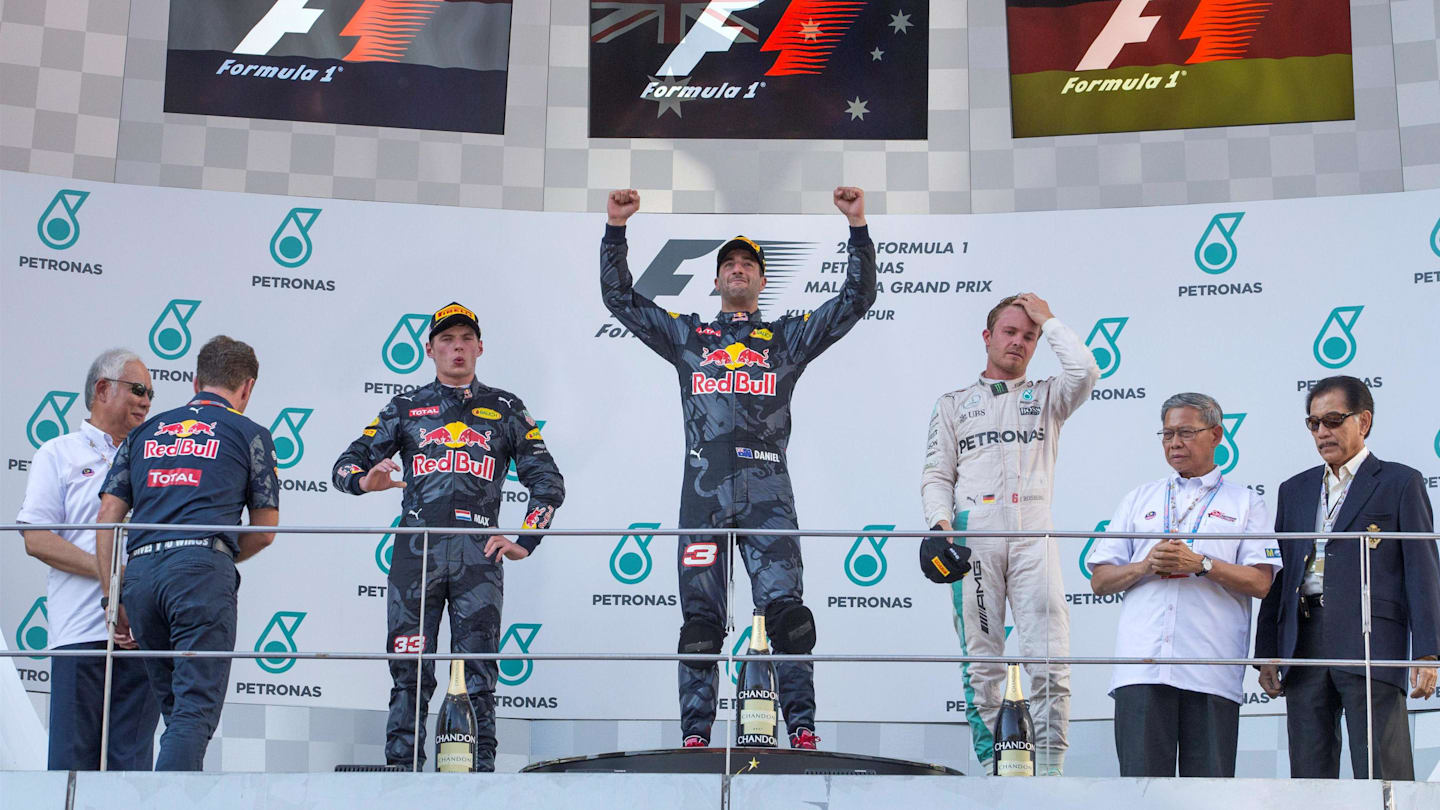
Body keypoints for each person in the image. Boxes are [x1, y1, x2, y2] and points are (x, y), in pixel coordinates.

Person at [602, 187, 876, 749]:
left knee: (789, 620)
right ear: (717, 280)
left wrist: (857, 228)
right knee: (701, 627)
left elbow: (856, 299)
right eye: (728, 264)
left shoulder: (785, 338)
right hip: (702, 495)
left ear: (760, 281)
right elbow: (621, 300)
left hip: (768, 494)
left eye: (748, 264)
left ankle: (801, 730)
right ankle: (696, 737)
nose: (738, 270)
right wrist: (615, 229)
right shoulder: (689, 338)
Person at [333, 302, 564, 772]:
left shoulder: (505, 407)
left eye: (464, 340)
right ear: (430, 350)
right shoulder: (405, 407)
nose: (456, 348)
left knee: (478, 673)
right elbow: (344, 466)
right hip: (416, 553)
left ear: (479, 347)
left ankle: (481, 778)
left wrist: (527, 538)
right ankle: (400, 775)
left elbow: (549, 483)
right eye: (446, 340)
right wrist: (365, 481)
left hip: (478, 555)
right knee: (409, 672)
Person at [920, 292, 1099, 775]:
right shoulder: (954, 403)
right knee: (982, 658)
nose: (1019, 342)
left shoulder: (1048, 396)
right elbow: (937, 475)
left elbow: (1086, 371)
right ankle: (994, 766)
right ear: (987, 337)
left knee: (1049, 655)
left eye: (1029, 335)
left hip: (1033, 535)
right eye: (1010, 332)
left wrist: (1050, 319)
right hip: (973, 536)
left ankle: (1050, 765)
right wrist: (940, 529)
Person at [95, 336, 280, 771]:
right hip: (199, 573)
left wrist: (112, 598)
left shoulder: (145, 430)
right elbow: (266, 531)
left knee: (177, 714)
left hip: (139, 576)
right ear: (247, 388)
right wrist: (209, 556)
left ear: (196, 380)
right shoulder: (250, 433)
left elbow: (106, 518)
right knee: (193, 714)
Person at [1255, 375, 1440, 780]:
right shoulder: (1295, 489)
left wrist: (1427, 653)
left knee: (1382, 774)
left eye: (1334, 420)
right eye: (1314, 423)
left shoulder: (1399, 482)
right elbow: (1281, 574)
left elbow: (1423, 571)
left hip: (1371, 640)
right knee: (1309, 778)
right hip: (1302, 644)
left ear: (1364, 421)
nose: (1323, 432)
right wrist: (1268, 649)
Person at [1087, 392, 1277, 777]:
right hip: (1141, 668)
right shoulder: (1139, 498)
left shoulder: (1245, 503)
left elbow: (1261, 582)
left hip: (1210, 668)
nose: (1175, 443)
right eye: (1167, 434)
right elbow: (1100, 579)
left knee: (1208, 795)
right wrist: (1144, 566)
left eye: (1187, 432)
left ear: (1216, 435)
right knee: (1141, 794)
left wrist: (1202, 564)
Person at [18, 349, 160, 770]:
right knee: (70, 770)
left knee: (130, 772)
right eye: (138, 390)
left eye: (151, 393)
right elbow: (36, 539)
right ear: (102, 389)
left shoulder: (153, 458)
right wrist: (113, 576)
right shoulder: (57, 453)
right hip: (80, 633)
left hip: (141, 637)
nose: (147, 402)